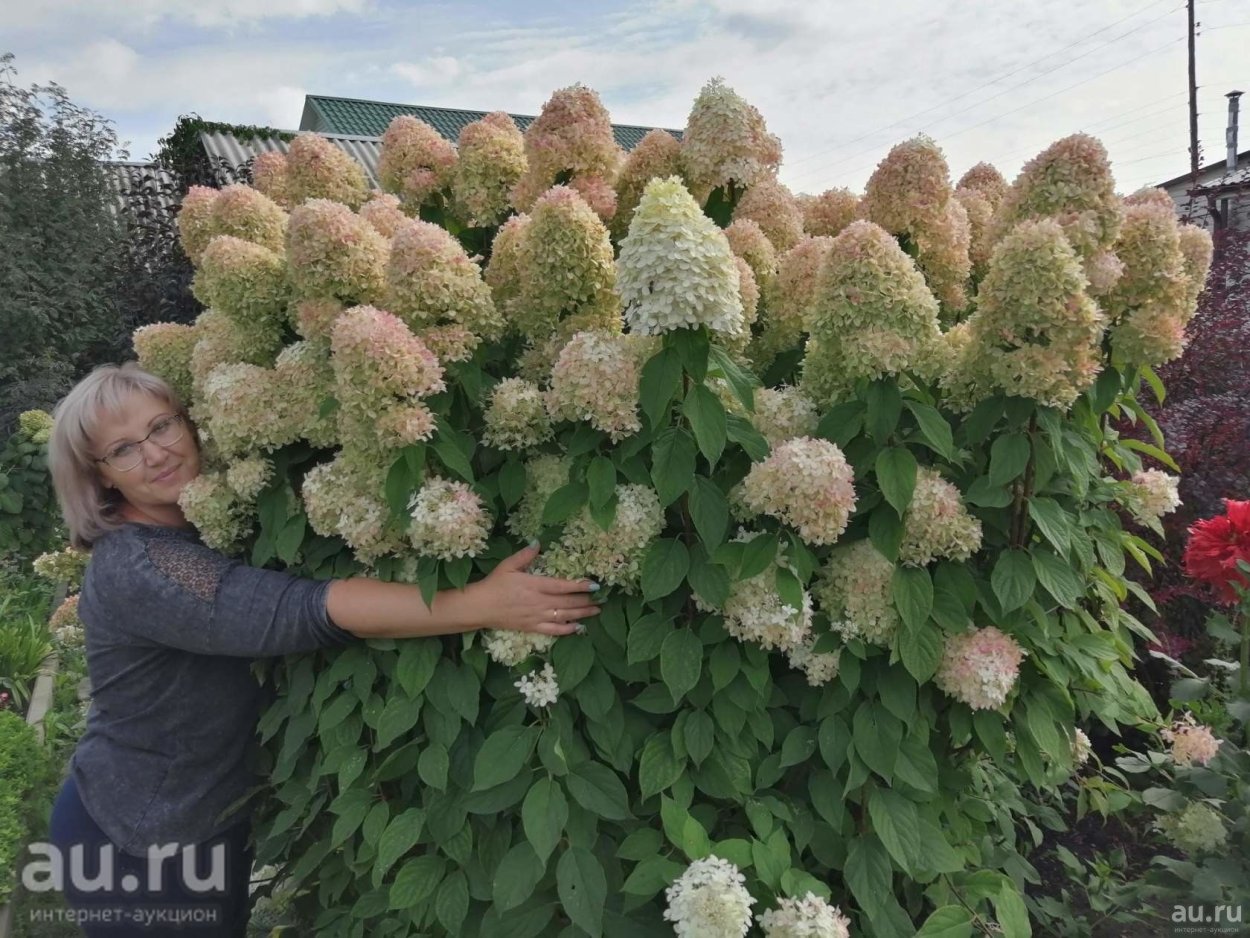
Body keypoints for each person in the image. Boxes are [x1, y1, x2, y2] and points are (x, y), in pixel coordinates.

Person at [43, 363, 599, 935]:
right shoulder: (138, 565)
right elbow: (296, 610)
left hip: (199, 821)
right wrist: (484, 603)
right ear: (101, 476)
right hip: (138, 835)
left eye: (161, 427)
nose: (155, 453)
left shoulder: (198, 522)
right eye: (124, 450)